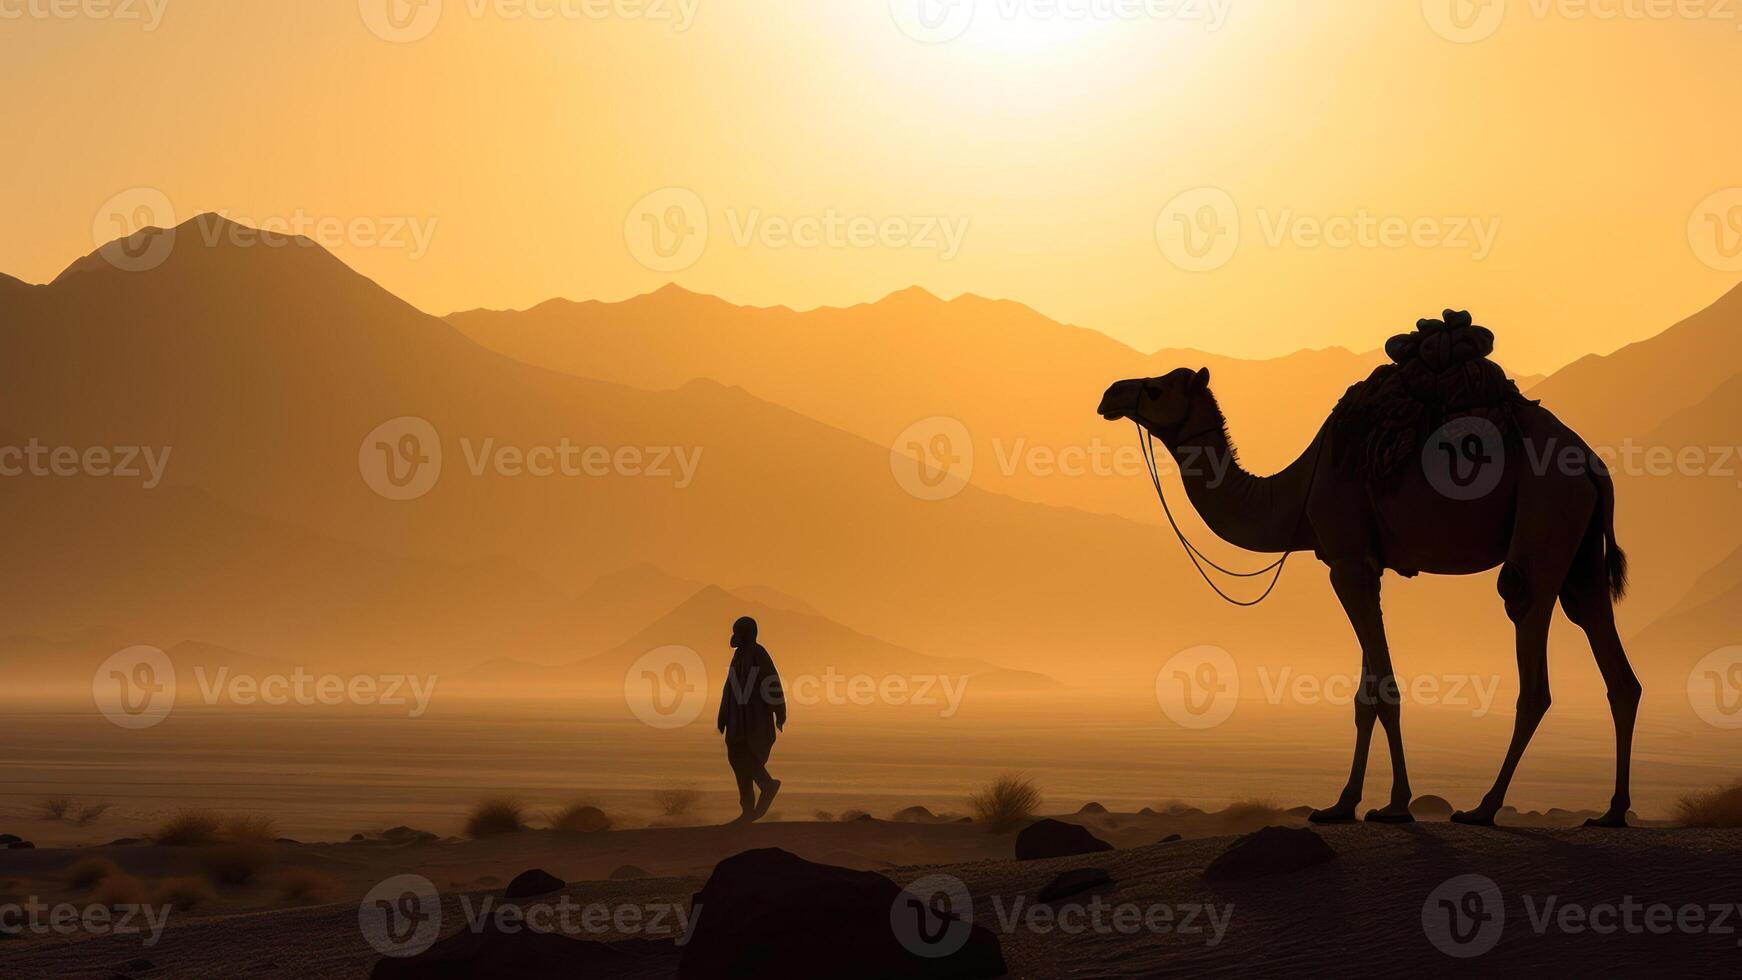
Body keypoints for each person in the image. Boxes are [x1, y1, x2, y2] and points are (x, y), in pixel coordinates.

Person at [717, 615, 785, 822]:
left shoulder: (758, 653)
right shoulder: (738, 656)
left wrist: (779, 712)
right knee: (737, 760)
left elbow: (771, 682)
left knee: (746, 757)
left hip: (754, 718)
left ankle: (766, 786)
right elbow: (729, 688)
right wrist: (723, 715)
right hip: (736, 720)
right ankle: (748, 808)